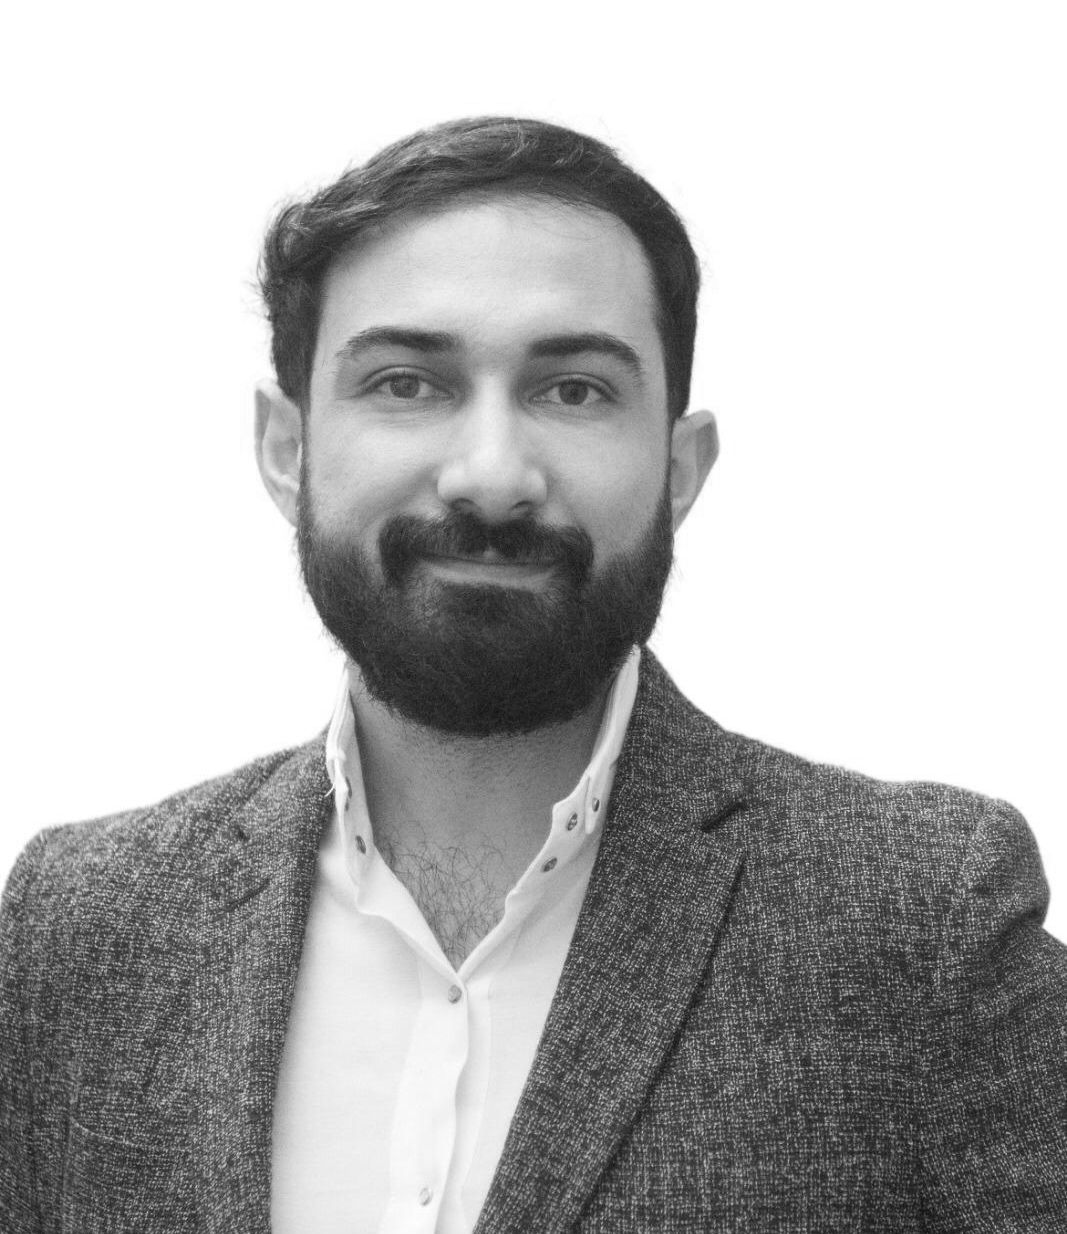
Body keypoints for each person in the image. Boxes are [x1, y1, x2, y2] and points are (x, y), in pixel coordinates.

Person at [1, 115, 1065, 1233]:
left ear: (679, 466)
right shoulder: (79, 933)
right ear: (286, 447)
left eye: (573, 391)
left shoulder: (921, 926)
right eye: (406, 382)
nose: (492, 475)